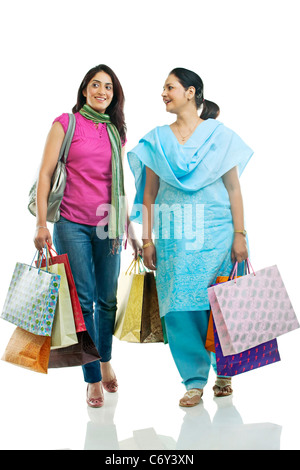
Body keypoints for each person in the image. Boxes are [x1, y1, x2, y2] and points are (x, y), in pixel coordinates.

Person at [127, 67, 253, 407]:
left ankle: (224, 373)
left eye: (170, 87)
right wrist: (148, 239)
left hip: (216, 233)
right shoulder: (156, 140)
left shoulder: (220, 136)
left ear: (191, 92)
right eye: (163, 88)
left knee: (222, 303)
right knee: (180, 308)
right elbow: (149, 195)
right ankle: (194, 381)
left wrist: (239, 234)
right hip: (174, 239)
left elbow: (234, 189)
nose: (164, 93)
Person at [34, 64, 140, 408]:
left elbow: (118, 185)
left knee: (107, 300)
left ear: (114, 95)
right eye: (96, 85)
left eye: (108, 87)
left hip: (107, 225)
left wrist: (131, 230)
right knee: (85, 301)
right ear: (84, 90)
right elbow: (45, 174)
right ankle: (93, 377)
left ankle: (104, 357)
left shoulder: (115, 132)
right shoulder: (65, 123)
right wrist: (40, 224)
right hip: (71, 223)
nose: (102, 91)